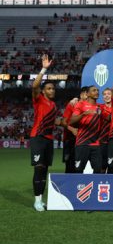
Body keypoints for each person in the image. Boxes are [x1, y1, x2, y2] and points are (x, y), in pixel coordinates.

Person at [30, 54, 60, 211]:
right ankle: (36, 201)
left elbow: (55, 121)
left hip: (49, 140)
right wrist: (44, 69)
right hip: (38, 138)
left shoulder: (54, 105)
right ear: (43, 91)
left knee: (45, 169)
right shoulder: (39, 99)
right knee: (39, 168)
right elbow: (35, 86)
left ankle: (40, 200)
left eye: (53, 88)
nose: (52, 90)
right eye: (49, 88)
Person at [70, 86, 103, 174]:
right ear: (87, 94)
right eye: (94, 90)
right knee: (78, 170)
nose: (96, 92)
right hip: (82, 142)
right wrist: (84, 114)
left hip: (95, 143)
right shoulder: (80, 104)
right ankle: (79, 187)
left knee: (98, 170)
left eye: (97, 90)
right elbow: (72, 121)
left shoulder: (100, 107)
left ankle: (95, 187)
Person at [61, 87, 88, 173]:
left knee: (80, 167)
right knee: (69, 166)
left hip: (83, 141)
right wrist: (72, 129)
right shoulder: (72, 104)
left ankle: (79, 185)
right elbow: (63, 122)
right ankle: (68, 185)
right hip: (70, 140)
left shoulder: (90, 106)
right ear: (82, 95)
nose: (89, 97)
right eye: (87, 94)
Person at [99, 88, 112, 173]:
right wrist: (75, 99)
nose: (107, 96)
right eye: (105, 94)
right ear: (103, 97)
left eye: (109, 94)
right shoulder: (99, 107)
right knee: (102, 166)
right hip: (102, 140)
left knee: (112, 166)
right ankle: (100, 182)